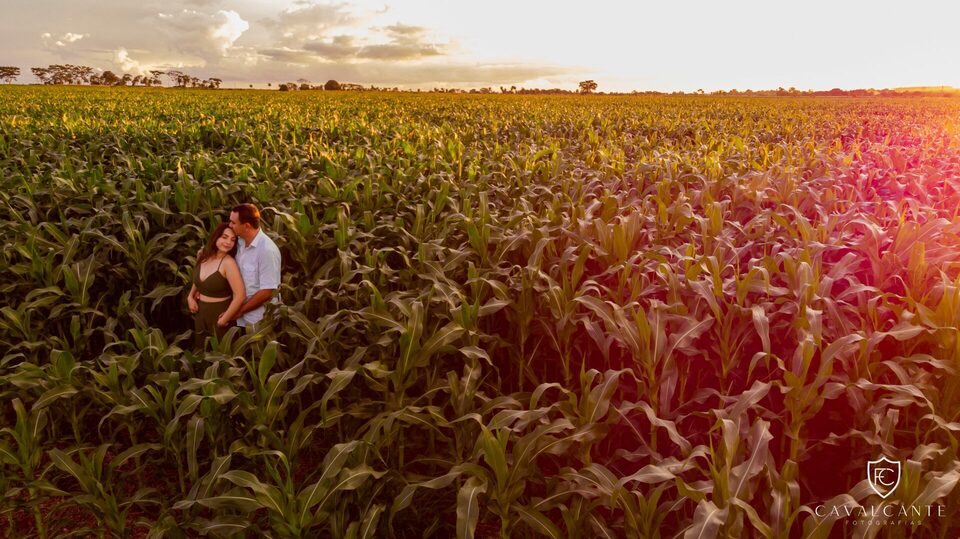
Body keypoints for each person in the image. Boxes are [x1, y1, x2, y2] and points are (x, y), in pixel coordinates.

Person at [187, 223, 246, 349]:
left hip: (219, 315)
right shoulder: (203, 255)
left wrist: (225, 319)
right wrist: (190, 297)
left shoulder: (228, 263)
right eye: (224, 237)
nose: (228, 242)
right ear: (216, 237)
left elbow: (240, 295)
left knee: (221, 356)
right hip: (200, 313)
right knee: (201, 352)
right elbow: (198, 280)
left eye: (232, 240)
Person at [227, 203, 282, 329]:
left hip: (258, 321)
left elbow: (267, 291)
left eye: (233, 223)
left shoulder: (267, 251)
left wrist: (240, 310)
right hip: (239, 317)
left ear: (246, 226)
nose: (230, 226)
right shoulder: (238, 242)